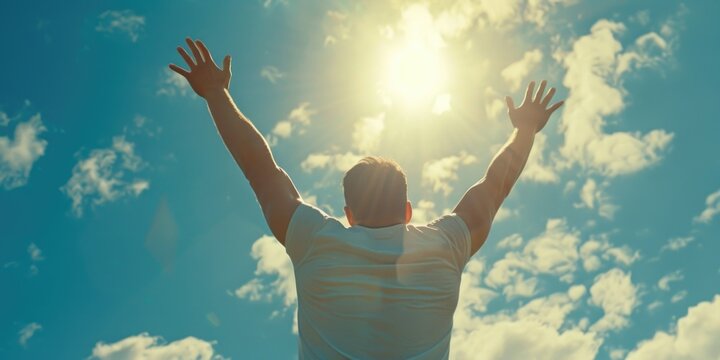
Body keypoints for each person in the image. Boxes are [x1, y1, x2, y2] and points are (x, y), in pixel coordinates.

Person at [170, 38, 564, 359]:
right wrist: (526, 129)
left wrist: (216, 94)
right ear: (408, 211)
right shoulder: (445, 244)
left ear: (349, 214)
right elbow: (493, 188)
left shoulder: (314, 241)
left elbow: (261, 170)